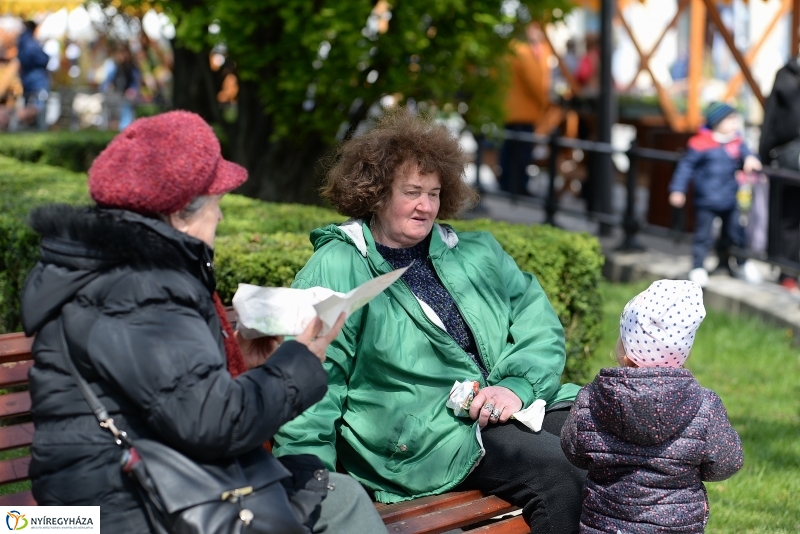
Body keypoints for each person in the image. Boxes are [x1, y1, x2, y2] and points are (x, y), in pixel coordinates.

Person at [20, 111, 388, 534]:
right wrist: (298, 363)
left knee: (332, 493)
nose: (221, 218)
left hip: (132, 487)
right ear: (180, 215)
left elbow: (175, 401)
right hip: (123, 507)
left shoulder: (118, 275)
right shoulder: (141, 288)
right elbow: (213, 423)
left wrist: (245, 364)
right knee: (341, 504)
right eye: (217, 205)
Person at [273, 111, 586, 534]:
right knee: (560, 475)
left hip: (502, 410)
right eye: (412, 191)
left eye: (435, 193)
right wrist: (307, 477)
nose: (426, 206)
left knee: (608, 444)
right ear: (376, 193)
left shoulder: (474, 251)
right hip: (424, 440)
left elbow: (538, 324)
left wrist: (516, 385)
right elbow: (313, 376)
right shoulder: (336, 267)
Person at [561, 279, 744, 533]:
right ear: (684, 352)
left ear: (625, 350)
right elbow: (727, 462)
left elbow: (573, 451)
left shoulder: (591, 400)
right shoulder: (704, 407)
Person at [669, 102, 762, 286]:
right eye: (730, 119)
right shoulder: (700, 144)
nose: (734, 123)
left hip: (730, 198)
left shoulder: (737, 143)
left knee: (736, 233)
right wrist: (677, 189)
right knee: (703, 235)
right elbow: (685, 167)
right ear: (717, 122)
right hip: (706, 200)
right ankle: (698, 267)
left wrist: (751, 159)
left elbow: (748, 154)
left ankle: (742, 263)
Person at [759, 57, 800, 294]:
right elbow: (772, 117)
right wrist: (763, 154)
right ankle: (787, 271)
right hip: (791, 159)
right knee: (790, 215)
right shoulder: (785, 75)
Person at [500, 23, 551, 195]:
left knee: (509, 150)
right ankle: (517, 187)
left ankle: (507, 185)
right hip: (523, 111)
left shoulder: (507, 51)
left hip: (508, 109)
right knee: (521, 153)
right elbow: (535, 82)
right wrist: (545, 101)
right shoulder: (523, 52)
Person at [16, 20, 49, 129]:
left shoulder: (21, 42)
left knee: (29, 100)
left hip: (25, 76)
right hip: (36, 76)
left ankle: (24, 124)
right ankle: (17, 117)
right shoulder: (30, 43)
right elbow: (43, 59)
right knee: (38, 103)